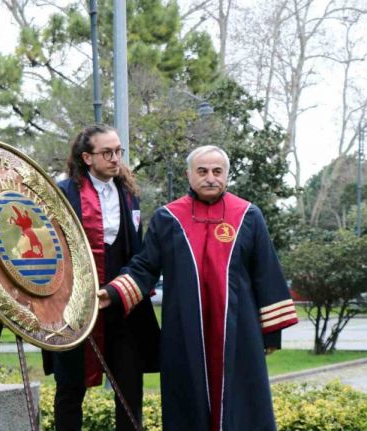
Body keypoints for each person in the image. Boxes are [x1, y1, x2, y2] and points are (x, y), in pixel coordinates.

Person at [100, 145, 299, 431]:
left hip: (239, 334)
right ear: (188, 175)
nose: (210, 178)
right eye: (202, 171)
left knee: (243, 407)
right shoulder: (168, 219)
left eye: (217, 172)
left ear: (227, 175)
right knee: (186, 407)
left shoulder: (248, 215)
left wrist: (271, 334)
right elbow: (144, 267)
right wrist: (114, 292)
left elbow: (266, 275)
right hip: (184, 333)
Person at [42, 124, 160, 430]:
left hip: (122, 304)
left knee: (129, 387)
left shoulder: (129, 193)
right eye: (107, 152)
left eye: (119, 151)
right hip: (75, 308)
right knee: (70, 388)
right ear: (87, 157)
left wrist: (118, 289)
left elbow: (136, 249)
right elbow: (48, 250)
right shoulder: (63, 192)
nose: (115, 158)